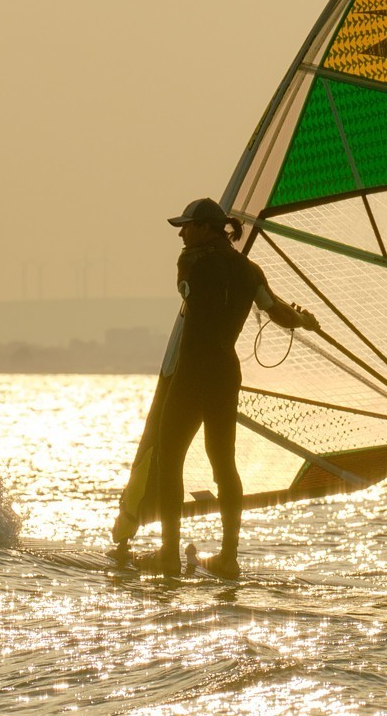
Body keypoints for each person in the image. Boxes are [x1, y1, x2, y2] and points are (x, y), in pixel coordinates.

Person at [138, 197, 319, 577]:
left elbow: (188, 292)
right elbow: (279, 313)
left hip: (192, 375)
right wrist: (304, 321)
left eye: (187, 226)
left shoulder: (192, 261)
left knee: (170, 459)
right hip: (224, 374)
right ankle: (228, 558)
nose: (182, 234)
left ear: (206, 228)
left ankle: (169, 554)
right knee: (224, 465)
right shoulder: (249, 270)